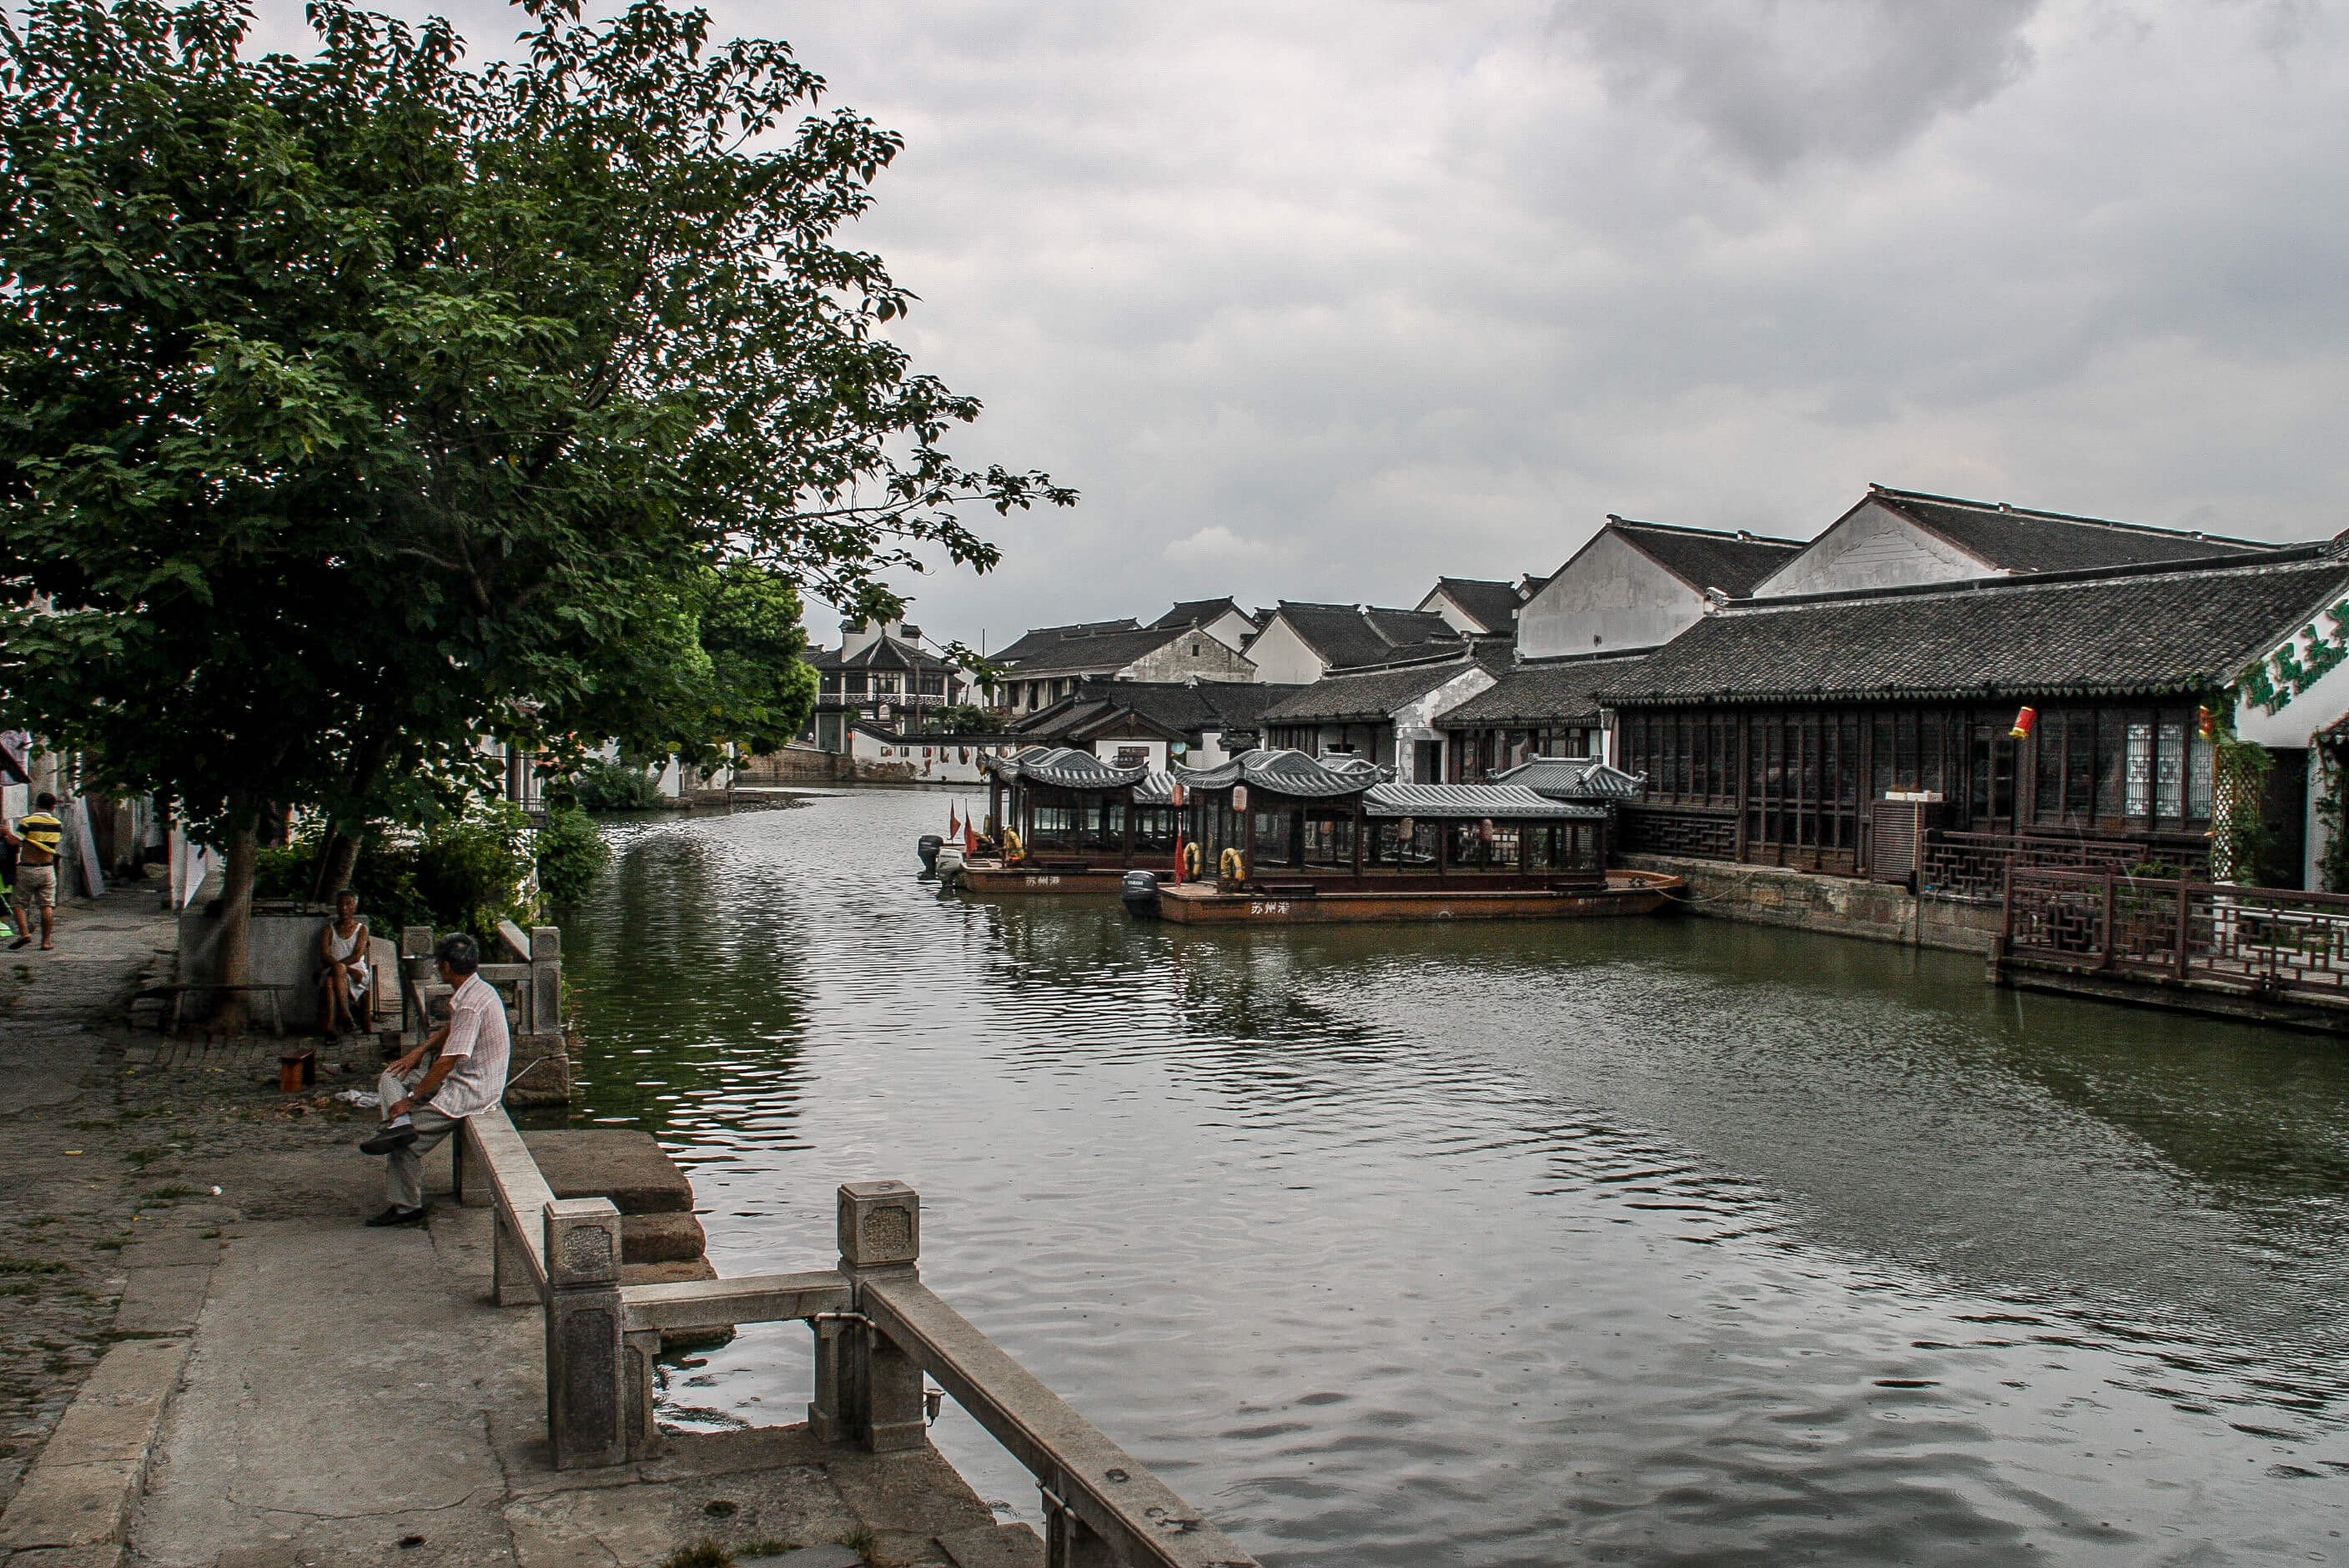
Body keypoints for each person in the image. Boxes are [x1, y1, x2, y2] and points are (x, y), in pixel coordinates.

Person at [358, 932, 511, 1228]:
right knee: (392, 1074)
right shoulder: (478, 990)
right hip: (461, 1079)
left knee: (403, 1148)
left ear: (444, 968)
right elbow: (452, 1029)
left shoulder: (470, 1003)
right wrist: (418, 1051)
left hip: (471, 1091)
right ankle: (399, 1125)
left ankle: (407, 1207)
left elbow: (447, 1063)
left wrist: (412, 1099)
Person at [1, 792, 64, 951]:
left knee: (17, 903)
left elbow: (14, 841)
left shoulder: (28, 822)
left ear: (36, 804)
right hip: (47, 869)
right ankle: (46, 942)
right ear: (53, 806)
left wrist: (7, 833)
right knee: (47, 906)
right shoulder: (57, 824)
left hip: (28, 868)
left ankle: (24, 934)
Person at [315, 889, 371, 1043]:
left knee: (332, 978)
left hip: (356, 971)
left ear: (355, 907)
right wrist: (341, 968)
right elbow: (325, 955)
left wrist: (344, 968)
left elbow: (357, 955)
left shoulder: (362, 929)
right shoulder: (328, 929)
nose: (344, 908)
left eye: (348, 904)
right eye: (341, 904)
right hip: (335, 970)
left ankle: (330, 1029)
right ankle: (346, 1015)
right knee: (332, 977)